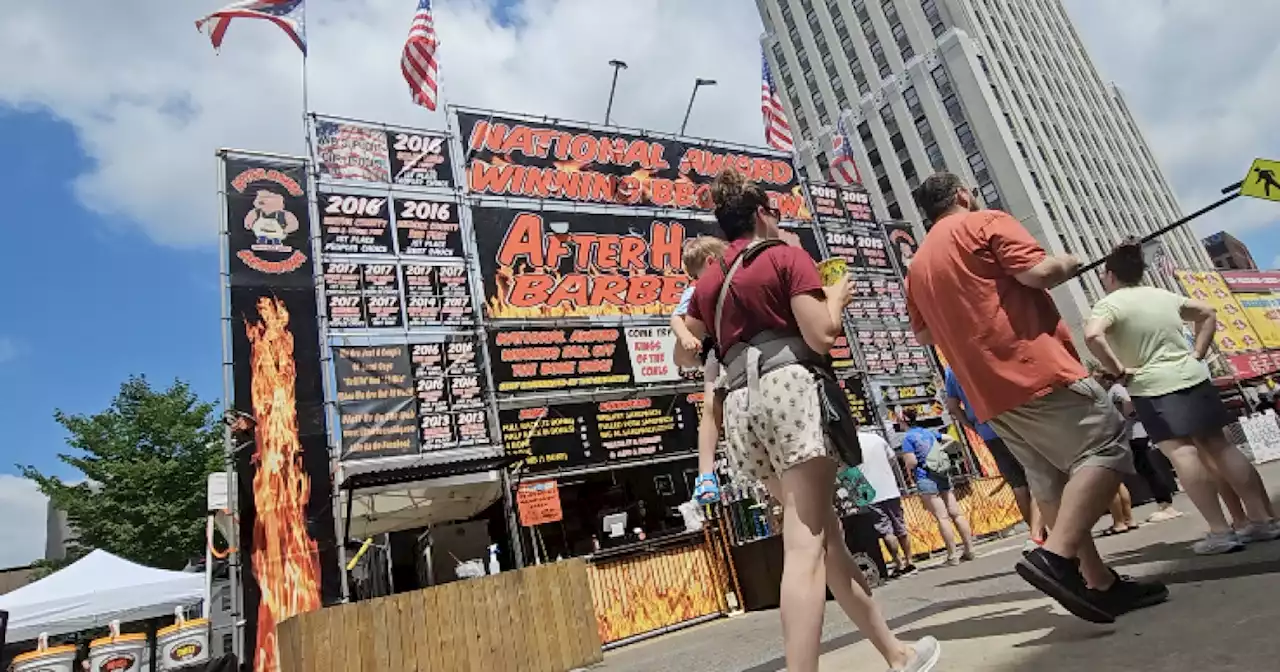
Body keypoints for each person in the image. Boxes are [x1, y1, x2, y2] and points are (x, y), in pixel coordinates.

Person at [679, 167, 939, 672]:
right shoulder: (785, 256)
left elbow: (685, 356)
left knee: (828, 539)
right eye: (774, 212)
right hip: (791, 393)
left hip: (741, 407)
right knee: (805, 547)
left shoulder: (710, 278)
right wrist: (835, 297)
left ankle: (896, 653)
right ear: (760, 214)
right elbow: (822, 334)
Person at [905, 172, 1167, 624]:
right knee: (1106, 442)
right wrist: (1071, 260)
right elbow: (1038, 272)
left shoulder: (917, 266)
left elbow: (926, 333)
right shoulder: (984, 221)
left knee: (1049, 480)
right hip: (1034, 368)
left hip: (985, 392)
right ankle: (1056, 558)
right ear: (963, 195)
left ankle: (1098, 583)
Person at [1084, 239, 1280, 554]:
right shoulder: (1163, 295)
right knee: (1221, 447)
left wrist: (1117, 369)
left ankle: (1220, 530)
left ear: (1109, 275)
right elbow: (1207, 312)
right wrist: (1198, 353)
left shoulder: (1110, 303)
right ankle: (1262, 520)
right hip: (1193, 376)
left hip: (1152, 385)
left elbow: (1093, 334)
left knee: (1183, 454)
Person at [943, 366, 1046, 545]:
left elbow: (952, 406)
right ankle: (1038, 533)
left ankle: (1036, 534)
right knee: (1037, 476)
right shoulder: (984, 350)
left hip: (988, 430)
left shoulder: (952, 369)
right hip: (1015, 423)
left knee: (1018, 484)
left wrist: (973, 426)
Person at [1102, 372, 1184, 524]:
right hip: (1135, 433)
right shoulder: (1117, 388)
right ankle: (1164, 504)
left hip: (1135, 434)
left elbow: (1128, 405)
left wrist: (1127, 416)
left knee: (1148, 469)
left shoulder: (1116, 389)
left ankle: (1166, 504)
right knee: (1146, 469)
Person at [900, 408, 975, 565]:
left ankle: (952, 555)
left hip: (925, 477)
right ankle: (969, 549)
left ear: (903, 421)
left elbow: (912, 462)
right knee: (956, 513)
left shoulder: (907, 438)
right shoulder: (929, 433)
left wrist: (908, 462)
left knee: (942, 517)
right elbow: (948, 438)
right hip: (942, 474)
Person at [858, 429, 917, 577]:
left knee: (885, 530)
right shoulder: (876, 438)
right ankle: (910, 561)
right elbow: (892, 458)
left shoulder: (848, 444)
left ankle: (898, 563)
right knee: (900, 525)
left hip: (868, 492)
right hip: (890, 487)